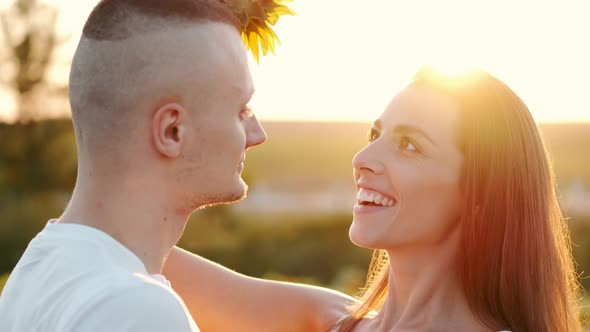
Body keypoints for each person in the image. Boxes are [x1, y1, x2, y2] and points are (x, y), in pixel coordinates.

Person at [0, 0, 352, 331]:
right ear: (172, 131)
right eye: (241, 110)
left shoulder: (39, 270)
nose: (257, 134)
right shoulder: (137, 308)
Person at [161, 68, 583, 332]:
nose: (363, 160)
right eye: (374, 136)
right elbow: (138, 247)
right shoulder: (327, 321)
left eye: (410, 146)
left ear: (480, 194)